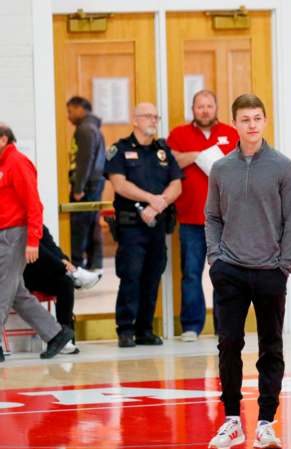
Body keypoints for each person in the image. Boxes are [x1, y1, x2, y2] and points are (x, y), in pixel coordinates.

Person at [206, 93, 291, 449]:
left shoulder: (282, 167)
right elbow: (212, 216)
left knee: (270, 346)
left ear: (265, 121)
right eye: (245, 119)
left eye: (257, 118)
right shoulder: (221, 169)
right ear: (235, 123)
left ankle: (265, 422)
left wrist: (285, 266)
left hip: (269, 272)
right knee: (228, 344)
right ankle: (232, 420)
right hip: (229, 269)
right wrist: (215, 258)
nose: (251, 125)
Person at [105, 103, 182, 348]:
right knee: (131, 276)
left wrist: (158, 206)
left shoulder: (163, 151)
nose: (153, 120)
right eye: (148, 116)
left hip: (157, 225)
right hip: (131, 227)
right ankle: (125, 329)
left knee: (152, 277)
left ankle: (145, 329)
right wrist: (150, 199)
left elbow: (176, 184)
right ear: (135, 120)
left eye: (155, 116)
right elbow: (119, 184)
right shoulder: (120, 149)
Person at [167, 90, 239, 342]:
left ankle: (225, 325)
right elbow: (170, 160)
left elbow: (240, 163)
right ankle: (191, 326)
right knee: (191, 273)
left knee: (225, 274)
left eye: (209, 105)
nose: (205, 110)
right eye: (200, 106)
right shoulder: (179, 135)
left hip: (226, 220)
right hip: (190, 219)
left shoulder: (231, 134)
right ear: (193, 108)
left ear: (216, 107)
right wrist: (200, 155)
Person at [0, 123, 73, 362]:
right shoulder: (3, 165)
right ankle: (56, 334)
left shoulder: (18, 163)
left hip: (15, 235)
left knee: (3, 290)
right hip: (5, 234)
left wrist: (33, 241)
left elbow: (34, 205)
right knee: (17, 292)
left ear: (3, 140)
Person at [23, 225, 101, 355]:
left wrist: (64, 260)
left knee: (65, 283)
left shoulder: (36, 225)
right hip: (17, 276)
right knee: (32, 244)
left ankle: (63, 338)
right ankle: (74, 274)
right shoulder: (12, 228)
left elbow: (52, 246)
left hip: (36, 272)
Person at [66, 96, 106, 273]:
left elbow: (85, 160)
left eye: (70, 111)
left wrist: (78, 187)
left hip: (87, 186)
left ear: (80, 108)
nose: (68, 116)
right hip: (94, 183)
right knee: (91, 224)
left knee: (80, 226)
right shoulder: (92, 128)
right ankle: (94, 262)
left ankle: (77, 264)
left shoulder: (85, 129)